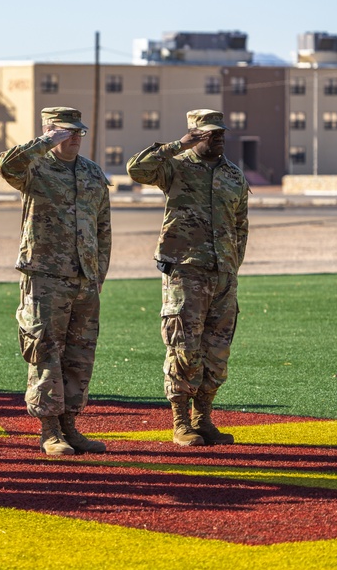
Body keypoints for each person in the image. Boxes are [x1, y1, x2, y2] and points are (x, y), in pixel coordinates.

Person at [126, 109, 249, 447]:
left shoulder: (233, 175)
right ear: (195, 134)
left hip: (223, 276)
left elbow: (240, 225)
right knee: (184, 347)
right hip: (186, 271)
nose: (219, 137)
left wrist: (231, 265)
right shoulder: (176, 166)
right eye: (211, 132)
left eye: (221, 131)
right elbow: (137, 169)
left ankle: (204, 419)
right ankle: (181, 422)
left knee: (217, 351)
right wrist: (178, 145)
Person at [0, 107, 111, 456]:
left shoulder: (92, 173)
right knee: (45, 350)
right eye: (65, 131)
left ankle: (70, 425)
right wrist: (44, 143)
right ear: (48, 130)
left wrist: (97, 273)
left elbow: (102, 228)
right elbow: (6, 165)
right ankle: (49, 430)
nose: (74, 137)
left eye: (78, 131)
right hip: (45, 277)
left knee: (80, 355)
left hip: (84, 279)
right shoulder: (35, 167)